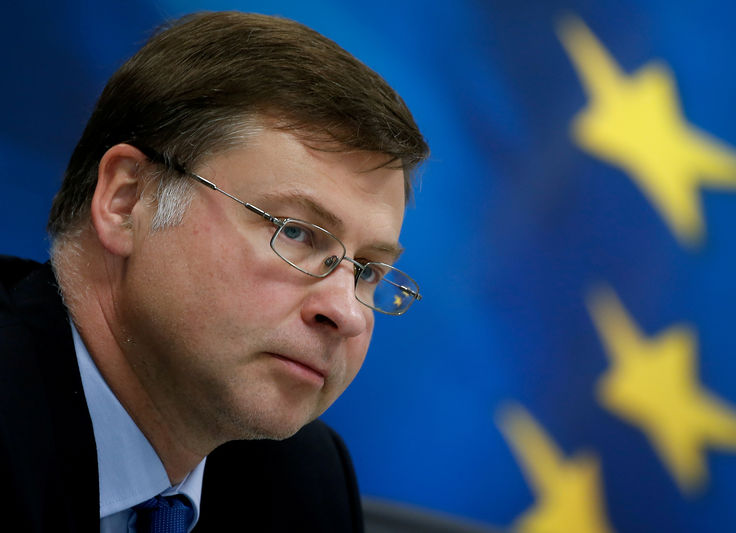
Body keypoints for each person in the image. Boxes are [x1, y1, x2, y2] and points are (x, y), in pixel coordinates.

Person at [0, 10, 428, 532]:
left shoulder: (302, 482)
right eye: (295, 232)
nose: (346, 313)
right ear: (126, 201)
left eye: (366, 270)